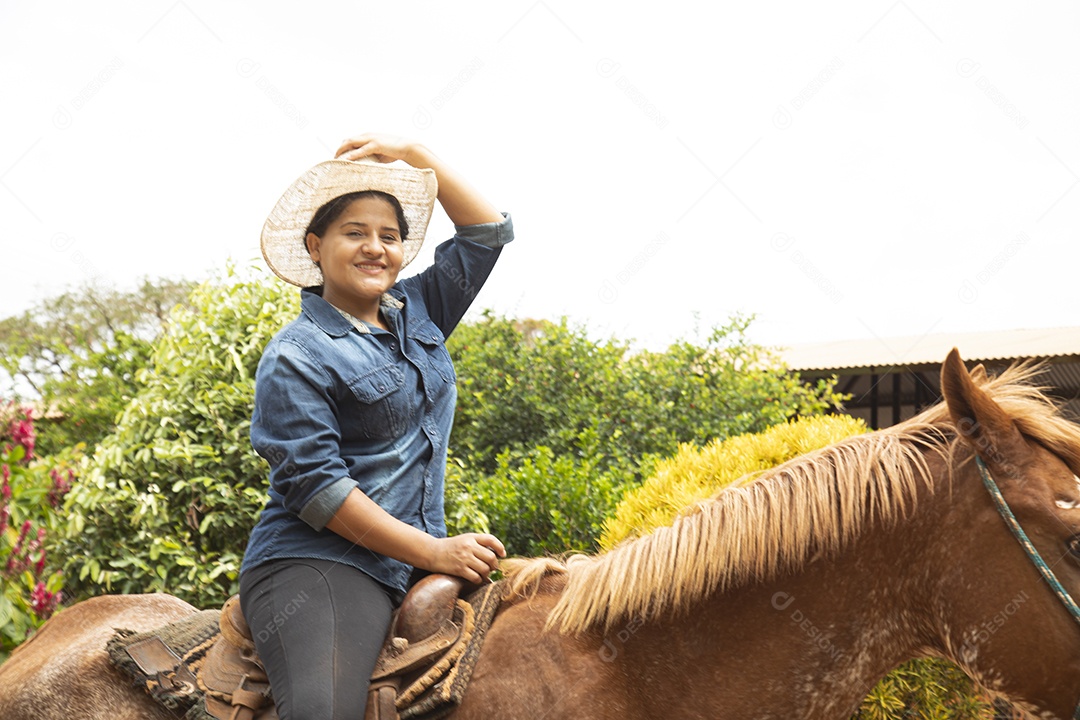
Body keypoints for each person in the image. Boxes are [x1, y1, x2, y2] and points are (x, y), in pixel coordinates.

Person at [239, 133, 510, 720]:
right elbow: (319, 490)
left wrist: (416, 154)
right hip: (318, 566)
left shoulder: (419, 310)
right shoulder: (296, 355)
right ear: (315, 246)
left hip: (413, 558)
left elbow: (487, 233)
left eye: (389, 236)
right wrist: (436, 550)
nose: (375, 248)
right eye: (354, 233)